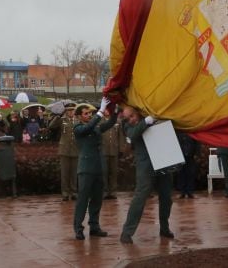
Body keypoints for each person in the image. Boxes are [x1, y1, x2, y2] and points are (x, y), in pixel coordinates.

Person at [119, 105, 174, 244]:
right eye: (128, 118)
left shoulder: (152, 117)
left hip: (163, 161)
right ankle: (127, 232)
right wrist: (147, 121)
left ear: (138, 112)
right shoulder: (127, 125)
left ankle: (164, 228)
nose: (131, 120)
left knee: (167, 197)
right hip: (145, 165)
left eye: (132, 116)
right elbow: (133, 134)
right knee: (140, 197)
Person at [72, 99, 117, 239]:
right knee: (83, 200)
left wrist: (115, 111)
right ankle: (78, 228)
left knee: (97, 199)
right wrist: (100, 112)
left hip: (98, 167)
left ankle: (94, 226)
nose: (89, 115)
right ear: (79, 116)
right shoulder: (78, 128)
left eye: (90, 113)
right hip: (86, 169)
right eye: (86, 114)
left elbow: (109, 124)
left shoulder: (95, 127)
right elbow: (88, 128)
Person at [48, 104, 78, 201]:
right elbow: (51, 126)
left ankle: (73, 192)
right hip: (64, 150)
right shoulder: (62, 120)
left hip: (75, 150)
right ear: (66, 111)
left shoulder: (78, 121)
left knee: (74, 173)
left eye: (72, 110)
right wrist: (58, 116)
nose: (70, 112)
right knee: (65, 173)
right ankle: (65, 193)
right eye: (68, 111)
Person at [175, 131, 199, 198]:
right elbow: (175, 143)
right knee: (181, 174)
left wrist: (196, 154)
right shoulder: (178, 132)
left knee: (191, 173)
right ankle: (182, 192)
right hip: (180, 156)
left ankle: (190, 192)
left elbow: (197, 143)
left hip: (191, 156)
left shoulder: (192, 131)